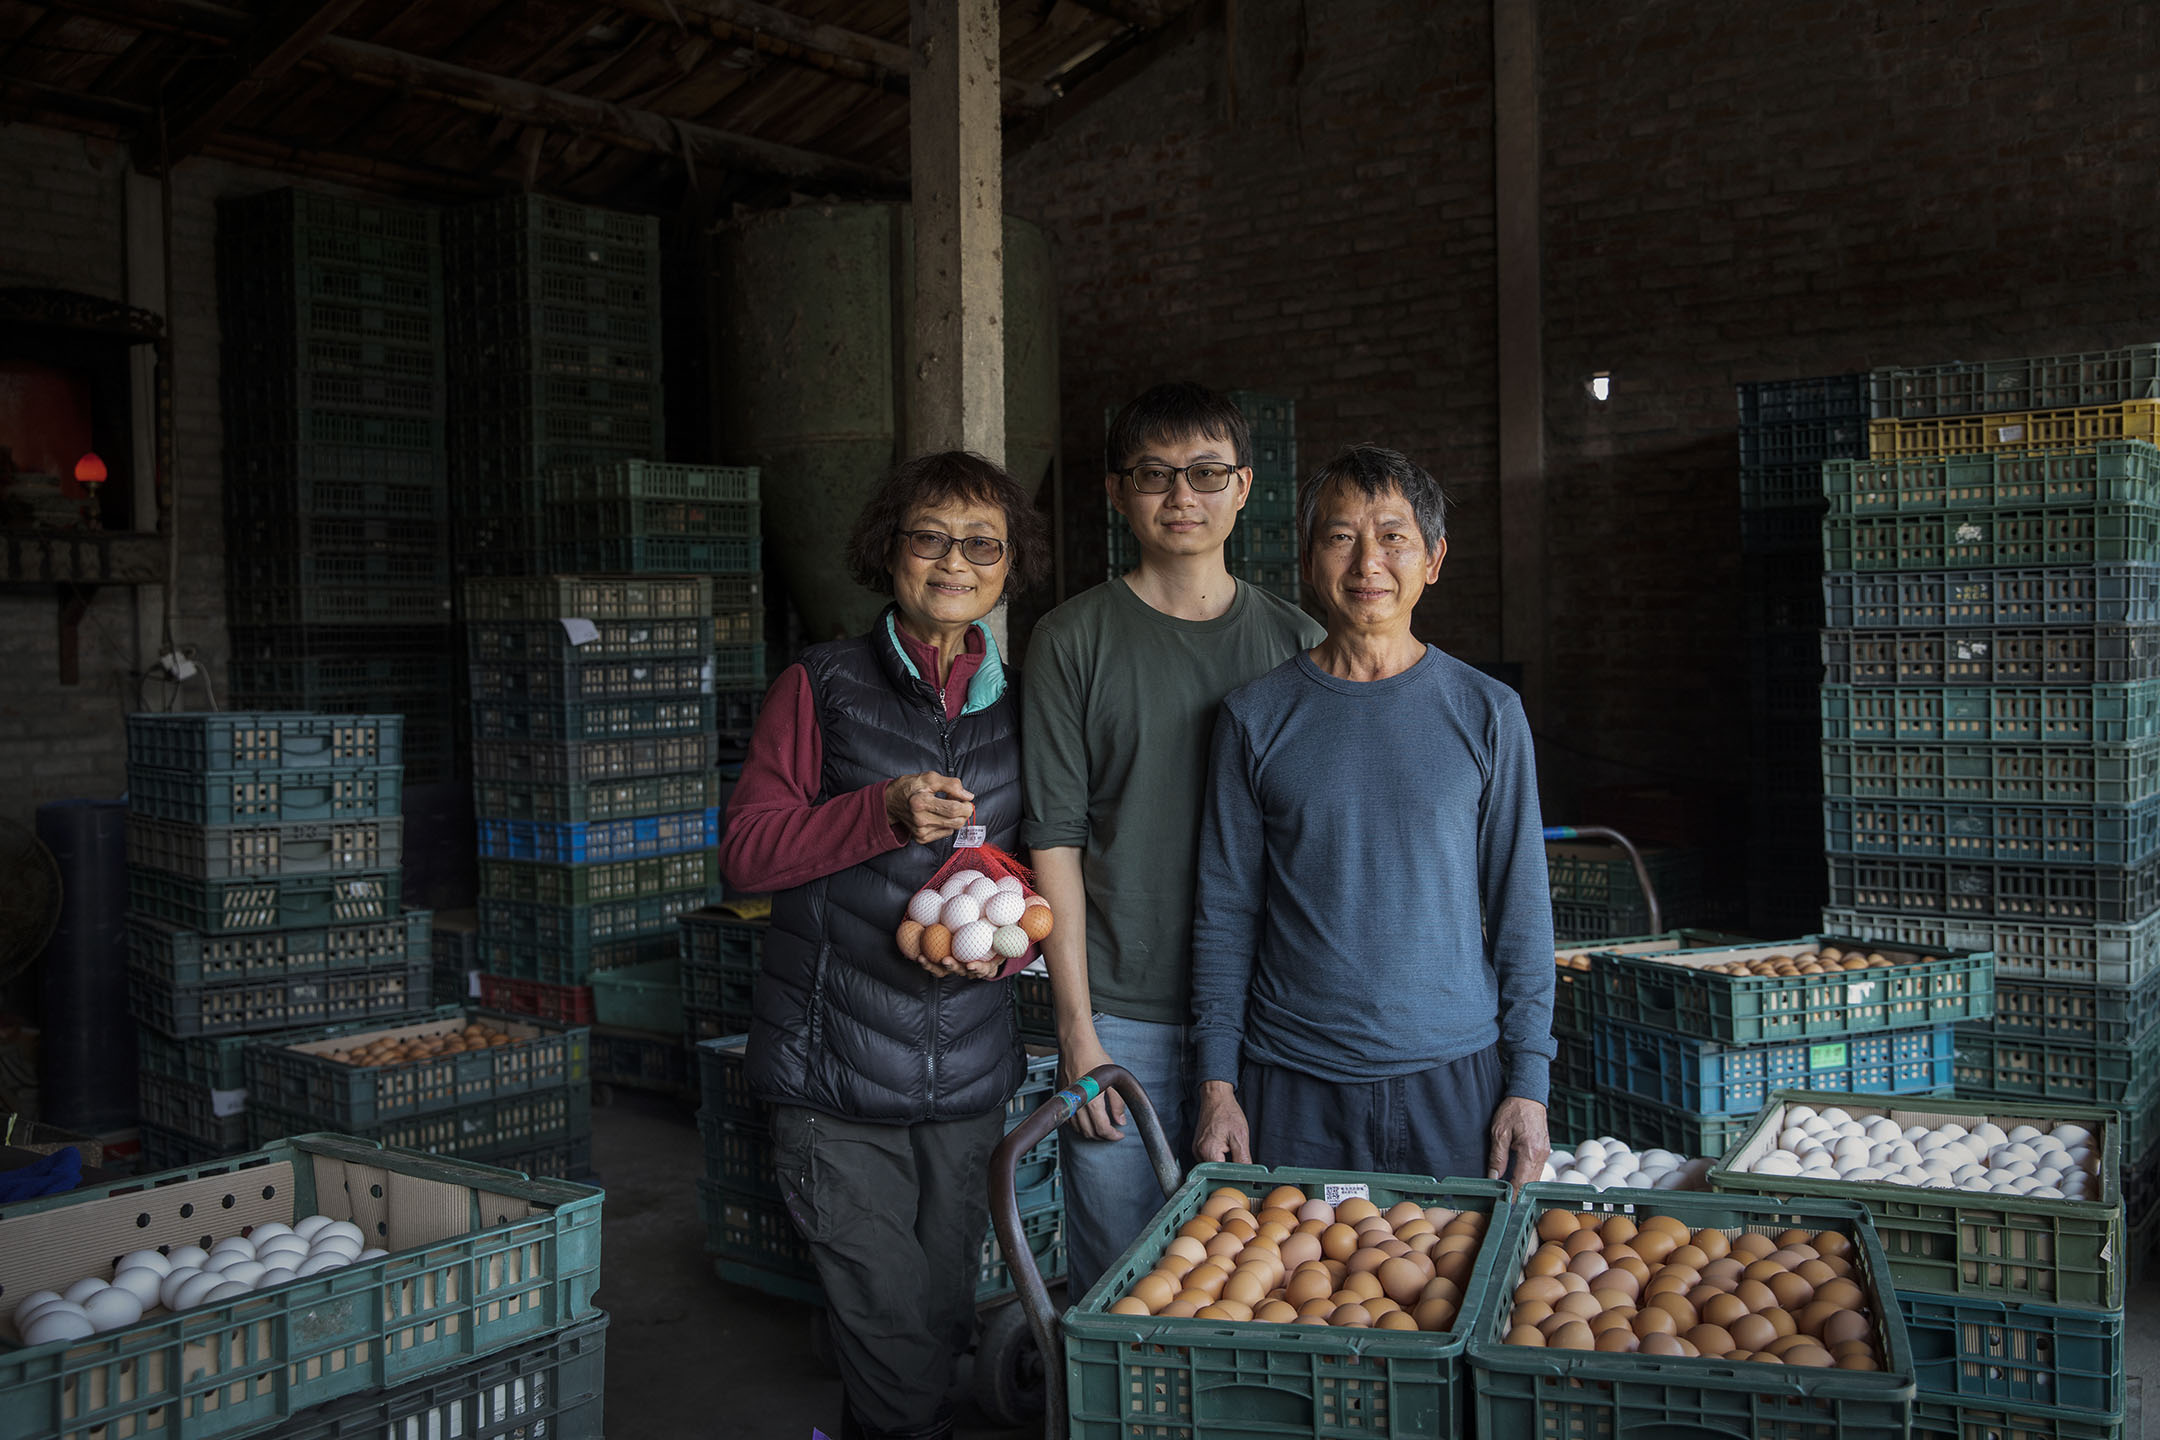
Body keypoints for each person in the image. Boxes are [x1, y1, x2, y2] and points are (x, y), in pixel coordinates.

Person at [719, 450, 1050, 1440]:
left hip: (967, 1071)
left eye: (982, 543)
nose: (956, 561)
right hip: (834, 1069)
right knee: (887, 1322)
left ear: (1010, 564)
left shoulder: (1026, 703)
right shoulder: (820, 685)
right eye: (929, 537)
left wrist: (1013, 948)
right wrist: (879, 814)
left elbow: (1033, 874)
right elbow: (744, 853)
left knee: (941, 1311)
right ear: (889, 552)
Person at [1023, 383, 1325, 1297]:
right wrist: (1077, 1032)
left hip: (1272, 1017)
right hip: (1124, 1012)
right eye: (1154, 476)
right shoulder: (1073, 639)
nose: (1180, 496)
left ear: (1242, 489)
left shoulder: (1298, 643)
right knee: (1121, 1279)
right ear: (1119, 494)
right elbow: (1057, 844)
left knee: (1269, 1277)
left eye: (1204, 474)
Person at [1188, 444, 1556, 1188]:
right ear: (1308, 558)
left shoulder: (1488, 714)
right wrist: (1217, 1086)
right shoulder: (1255, 718)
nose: (1367, 564)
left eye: (1393, 536)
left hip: (1454, 1078)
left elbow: (1522, 910)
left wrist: (1530, 1084)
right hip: (1292, 1080)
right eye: (1340, 536)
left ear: (1434, 558)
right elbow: (1224, 914)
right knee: (1300, 1297)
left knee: (1449, 1294)